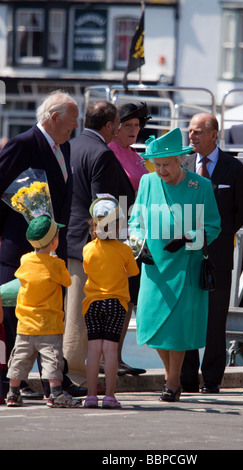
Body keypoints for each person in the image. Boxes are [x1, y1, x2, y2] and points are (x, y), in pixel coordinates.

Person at [0, 90, 86, 401]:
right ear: (53, 118)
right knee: (19, 317)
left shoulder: (63, 148)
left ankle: (55, 380)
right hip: (22, 248)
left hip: (54, 249)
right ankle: (15, 381)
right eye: (72, 120)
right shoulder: (24, 143)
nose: (74, 127)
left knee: (53, 315)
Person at [128, 128, 221, 402]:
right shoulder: (147, 182)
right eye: (157, 165)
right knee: (152, 325)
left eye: (166, 165)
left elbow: (213, 226)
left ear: (180, 161)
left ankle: (171, 381)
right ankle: (174, 376)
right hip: (154, 266)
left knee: (177, 328)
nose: (161, 170)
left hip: (185, 265)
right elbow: (135, 222)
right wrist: (139, 244)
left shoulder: (200, 186)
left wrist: (188, 239)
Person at [64, 101, 136, 387]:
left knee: (68, 313)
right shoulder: (102, 154)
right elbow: (102, 207)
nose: (118, 129)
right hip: (89, 248)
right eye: (117, 124)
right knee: (79, 319)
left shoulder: (71, 146)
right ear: (108, 126)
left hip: (67, 240)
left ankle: (61, 376)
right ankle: (75, 378)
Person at [180, 113, 243, 393]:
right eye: (190, 131)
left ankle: (211, 379)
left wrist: (215, 237)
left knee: (214, 319)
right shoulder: (182, 165)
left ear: (213, 134)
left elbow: (241, 212)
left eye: (198, 132)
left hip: (218, 255)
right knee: (186, 316)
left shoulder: (236, 169)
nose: (192, 136)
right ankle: (185, 378)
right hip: (185, 254)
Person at [6, 215, 81, 408]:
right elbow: (67, 281)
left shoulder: (25, 260)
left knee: (20, 358)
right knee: (51, 359)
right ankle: (55, 392)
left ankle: (13, 393)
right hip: (49, 324)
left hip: (25, 324)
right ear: (54, 241)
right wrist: (57, 261)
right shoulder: (56, 264)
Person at [83, 196, 139, 409]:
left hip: (93, 304)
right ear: (117, 226)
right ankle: (109, 396)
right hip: (116, 304)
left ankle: (90, 396)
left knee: (93, 351)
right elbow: (133, 273)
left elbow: (88, 269)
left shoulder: (88, 249)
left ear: (94, 225)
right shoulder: (124, 250)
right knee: (111, 351)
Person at [108, 101, 150, 376]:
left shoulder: (136, 155)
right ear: (115, 127)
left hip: (137, 237)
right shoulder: (108, 153)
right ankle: (106, 358)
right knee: (115, 299)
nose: (135, 130)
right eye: (128, 125)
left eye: (138, 125)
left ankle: (118, 357)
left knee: (129, 300)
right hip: (114, 237)